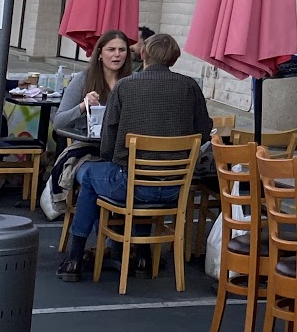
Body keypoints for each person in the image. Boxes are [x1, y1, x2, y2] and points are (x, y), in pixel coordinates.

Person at [57, 31, 212, 281]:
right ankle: (141, 255)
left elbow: (108, 142)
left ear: (143, 53)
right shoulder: (190, 87)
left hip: (131, 185)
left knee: (92, 178)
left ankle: (75, 257)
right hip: (176, 188)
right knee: (137, 175)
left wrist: (114, 158)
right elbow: (203, 132)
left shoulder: (125, 86)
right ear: (174, 58)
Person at [52, 28, 131, 135]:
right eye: (111, 49)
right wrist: (83, 105)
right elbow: (58, 123)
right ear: (100, 54)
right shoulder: (83, 79)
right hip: (88, 141)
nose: (117, 54)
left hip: (123, 142)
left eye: (122, 50)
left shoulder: (134, 80)